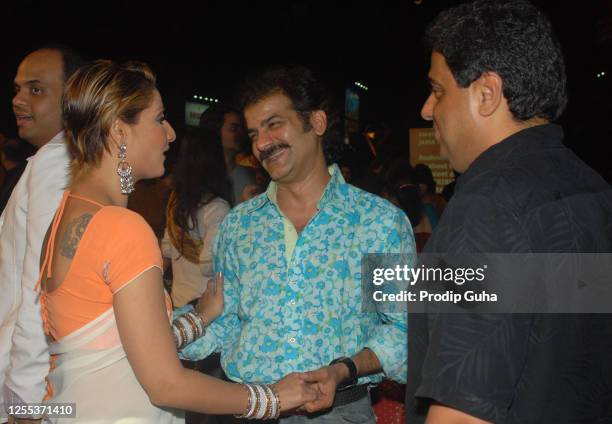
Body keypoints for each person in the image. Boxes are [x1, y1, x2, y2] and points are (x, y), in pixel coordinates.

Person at [36, 60, 316, 423]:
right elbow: (165, 383)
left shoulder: (62, 216)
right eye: (158, 118)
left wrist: (200, 318)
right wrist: (272, 397)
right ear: (120, 131)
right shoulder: (122, 227)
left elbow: (120, 347)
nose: (170, 134)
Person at [406, 1, 612, 423]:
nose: (428, 109)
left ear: (486, 94)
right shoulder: (594, 189)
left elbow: (462, 412)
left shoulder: (485, 208)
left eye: (439, 89)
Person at [180, 65, 416, 423]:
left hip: (340, 413)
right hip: (248, 409)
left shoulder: (379, 222)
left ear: (317, 123)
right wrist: (168, 327)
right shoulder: (239, 227)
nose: (261, 143)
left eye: (274, 124)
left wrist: (343, 370)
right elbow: (226, 323)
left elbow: (404, 330)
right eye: (254, 133)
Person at [0, 45, 83, 424]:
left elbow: (41, 282)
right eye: (18, 89)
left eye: (36, 90)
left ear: (74, 100)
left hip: (24, 378)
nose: (18, 100)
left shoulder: (57, 162)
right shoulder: (55, 159)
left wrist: (25, 399)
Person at [162, 126, 231, 308]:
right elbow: (208, 265)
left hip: (177, 303)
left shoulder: (176, 201)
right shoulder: (217, 209)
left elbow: (167, 251)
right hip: (205, 312)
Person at [199, 104, 260, 206]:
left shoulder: (249, 174)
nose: (240, 133)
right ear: (216, 132)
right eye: (233, 128)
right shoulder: (197, 175)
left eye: (242, 128)